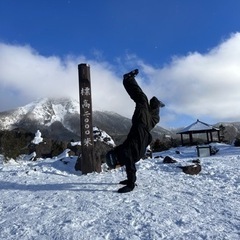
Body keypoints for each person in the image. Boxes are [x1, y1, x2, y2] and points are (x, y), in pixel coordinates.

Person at [106, 69, 165, 193]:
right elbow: (129, 167)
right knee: (154, 117)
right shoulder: (124, 154)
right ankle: (156, 103)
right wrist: (129, 181)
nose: (117, 168)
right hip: (143, 128)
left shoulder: (125, 154)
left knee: (142, 100)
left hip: (141, 125)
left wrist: (130, 184)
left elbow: (130, 168)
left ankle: (128, 79)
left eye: (116, 166)